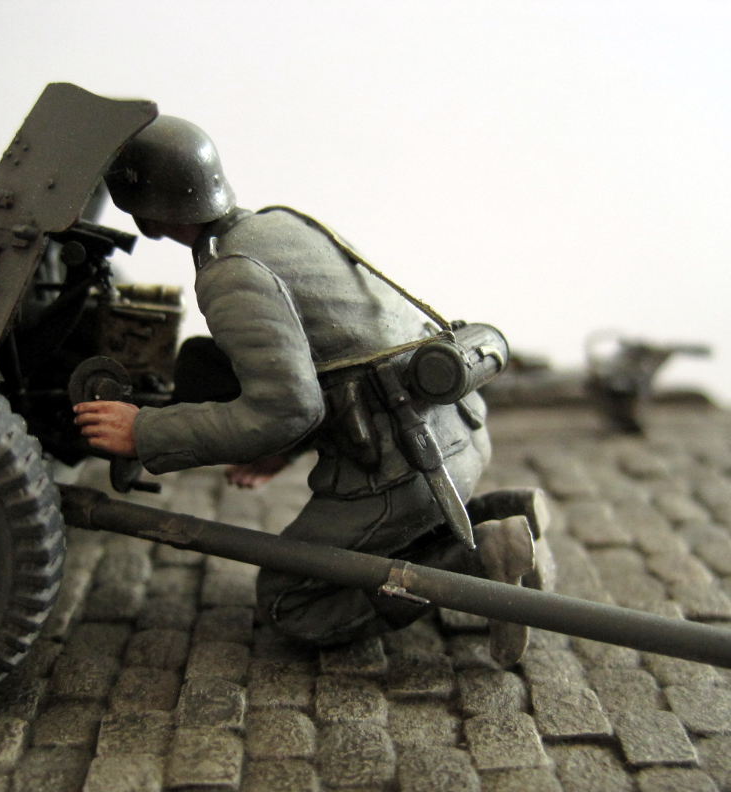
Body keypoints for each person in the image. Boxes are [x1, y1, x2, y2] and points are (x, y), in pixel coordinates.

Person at [74, 115, 552, 663]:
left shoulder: (231, 271)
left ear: (145, 210)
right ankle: (509, 513)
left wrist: (145, 431)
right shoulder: (278, 223)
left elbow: (290, 408)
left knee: (292, 601)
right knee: (207, 360)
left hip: (409, 470)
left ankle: (477, 557)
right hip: (457, 433)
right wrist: (281, 452)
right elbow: (339, 358)